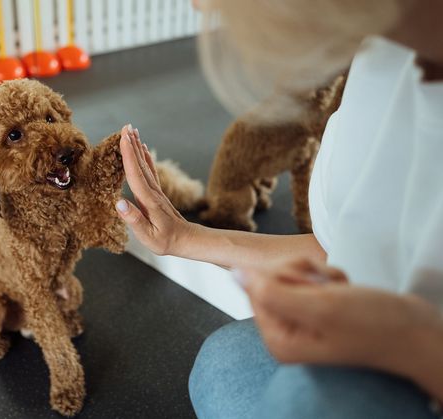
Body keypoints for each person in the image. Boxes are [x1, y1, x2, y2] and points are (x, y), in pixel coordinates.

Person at [114, 0, 443, 417]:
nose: (198, 6)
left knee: (306, 399)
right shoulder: (377, 61)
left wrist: (407, 345)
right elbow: (345, 249)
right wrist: (184, 238)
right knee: (224, 362)